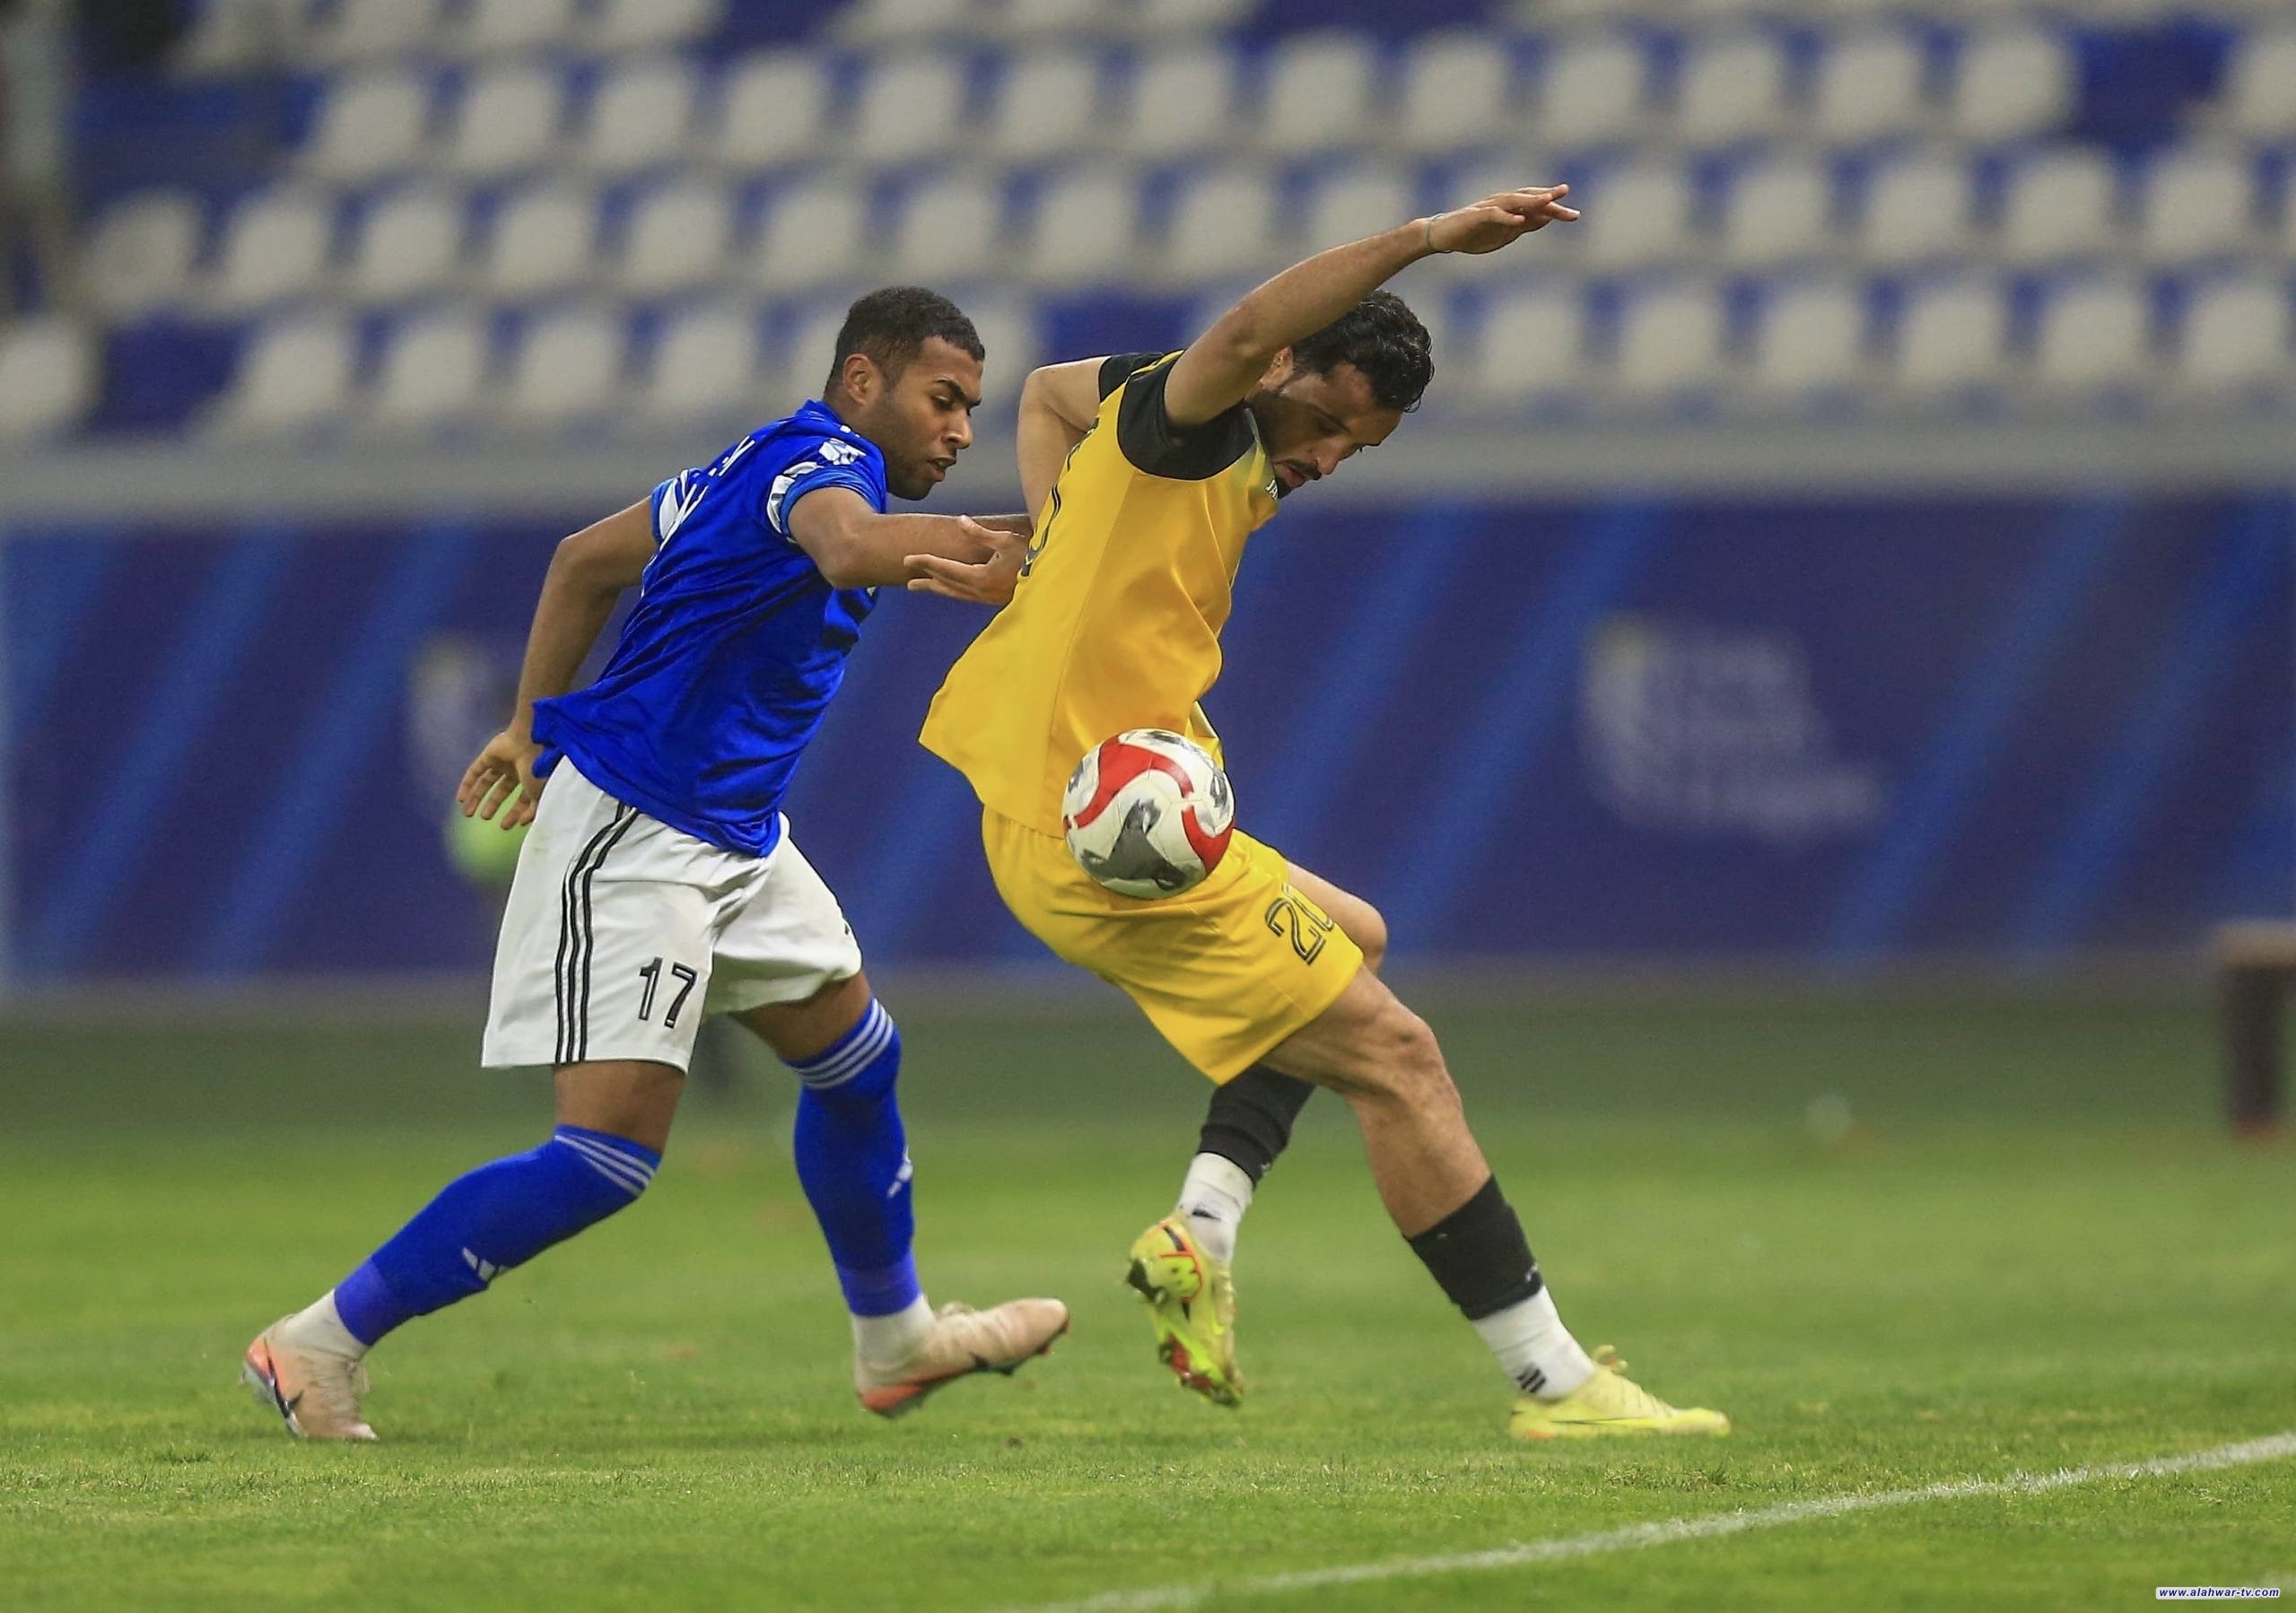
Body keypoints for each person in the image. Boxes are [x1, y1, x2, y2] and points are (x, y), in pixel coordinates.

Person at [912, 190, 1729, 1440]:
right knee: (1400, 1061)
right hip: (1103, 834)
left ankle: (1200, 1230)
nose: (1331, 457)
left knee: (1354, 931)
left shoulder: (1183, 425)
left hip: (1068, 806)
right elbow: (1238, 333)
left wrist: (1042, 543)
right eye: (1329, 421)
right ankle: (1554, 1383)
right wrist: (1424, 238)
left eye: (1364, 447)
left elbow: (1040, 395)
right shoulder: (1189, 418)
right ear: (1285, 367)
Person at [243, 288, 1067, 1442]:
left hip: (735, 833)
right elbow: (844, 548)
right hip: (634, 832)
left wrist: (529, 723)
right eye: (944, 401)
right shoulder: (821, 462)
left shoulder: (751, 468)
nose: (963, 430)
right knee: (604, 1158)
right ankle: (313, 1343)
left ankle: (897, 1340)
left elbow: (585, 561)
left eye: (973, 409)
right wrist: (1006, 546)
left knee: (858, 1059)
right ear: (865, 382)